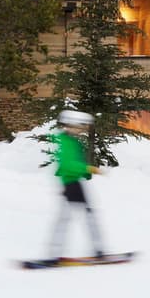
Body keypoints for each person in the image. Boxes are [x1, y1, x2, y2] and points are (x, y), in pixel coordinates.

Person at [47, 110, 105, 261]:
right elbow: (67, 164)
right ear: (70, 126)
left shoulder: (72, 141)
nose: (82, 130)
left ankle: (54, 253)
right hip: (71, 183)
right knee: (86, 216)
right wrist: (88, 169)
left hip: (72, 183)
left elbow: (74, 163)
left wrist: (85, 172)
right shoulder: (66, 142)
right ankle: (98, 251)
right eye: (80, 126)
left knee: (68, 217)